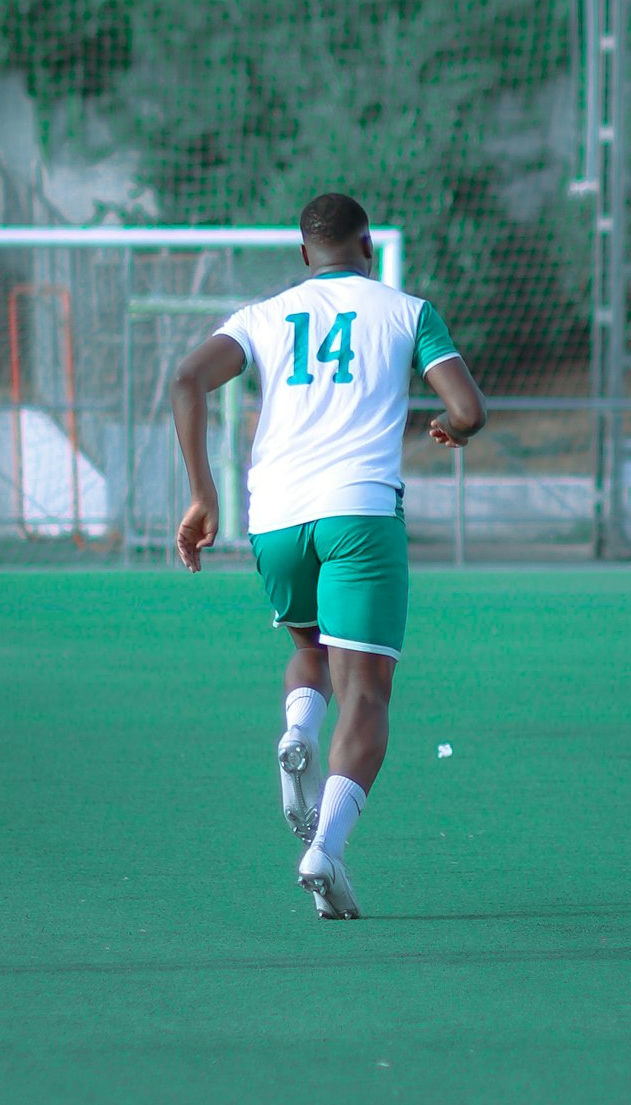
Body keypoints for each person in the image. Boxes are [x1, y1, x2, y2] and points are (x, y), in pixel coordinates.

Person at [171, 193, 486, 920]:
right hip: (359, 512)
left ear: (305, 253)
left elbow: (186, 378)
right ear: (368, 247)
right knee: (368, 692)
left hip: (274, 515)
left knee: (308, 645)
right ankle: (326, 849)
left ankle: (298, 731)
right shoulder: (408, 311)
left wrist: (200, 494)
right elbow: (469, 409)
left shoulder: (263, 315)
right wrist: (450, 428)